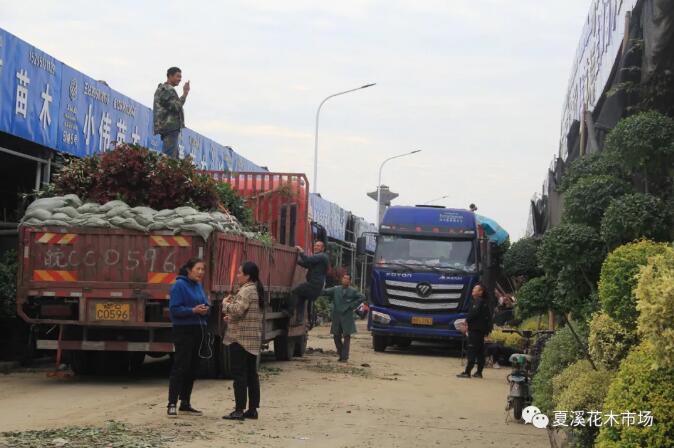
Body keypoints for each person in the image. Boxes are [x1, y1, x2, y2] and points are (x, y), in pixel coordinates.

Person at [167, 257, 210, 417]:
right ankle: (172, 402)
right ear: (189, 270)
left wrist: (206, 309)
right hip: (183, 330)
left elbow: (206, 304)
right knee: (180, 366)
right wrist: (193, 311)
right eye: (198, 269)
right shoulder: (179, 285)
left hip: (198, 329)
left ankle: (185, 402)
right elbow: (175, 310)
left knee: (193, 367)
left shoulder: (199, 286)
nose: (201, 272)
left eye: (202, 270)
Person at [222, 261, 264, 421]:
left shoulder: (246, 290)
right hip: (252, 340)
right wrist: (230, 318)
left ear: (247, 276)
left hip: (240, 340)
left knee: (239, 375)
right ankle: (252, 409)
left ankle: (239, 410)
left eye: (239, 273)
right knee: (251, 374)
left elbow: (238, 310)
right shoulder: (256, 289)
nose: (237, 275)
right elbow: (247, 314)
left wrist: (225, 305)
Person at [323, 273, 364, 362]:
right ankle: (341, 353)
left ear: (349, 281)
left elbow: (362, 297)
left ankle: (344, 357)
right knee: (336, 336)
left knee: (347, 336)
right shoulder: (336, 289)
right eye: (343, 278)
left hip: (347, 315)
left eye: (347, 279)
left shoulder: (353, 291)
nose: (344, 280)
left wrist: (352, 305)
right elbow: (325, 292)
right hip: (337, 315)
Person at [287, 240, 329, 324]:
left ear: (323, 248)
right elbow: (307, 264)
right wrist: (297, 261)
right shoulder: (320, 258)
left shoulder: (321, 256)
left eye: (318, 246)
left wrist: (301, 252)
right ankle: (299, 319)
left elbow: (307, 260)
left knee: (295, 292)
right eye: (315, 245)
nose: (316, 247)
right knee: (302, 297)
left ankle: (289, 312)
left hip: (314, 284)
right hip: (316, 284)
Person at [153, 67, 190, 159]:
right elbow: (176, 107)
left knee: (174, 158)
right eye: (177, 76)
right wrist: (185, 94)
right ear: (170, 76)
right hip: (170, 127)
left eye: (180, 77)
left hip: (168, 127)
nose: (180, 79)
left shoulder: (164, 89)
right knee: (168, 158)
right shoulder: (167, 89)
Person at [457, 283, 491, 379]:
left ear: (480, 292)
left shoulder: (478, 301)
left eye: (475, 289)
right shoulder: (484, 302)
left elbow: (473, 314)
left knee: (471, 350)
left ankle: (467, 372)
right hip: (480, 330)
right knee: (480, 352)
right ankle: (479, 372)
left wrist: (466, 321)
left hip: (475, 330)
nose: (473, 290)